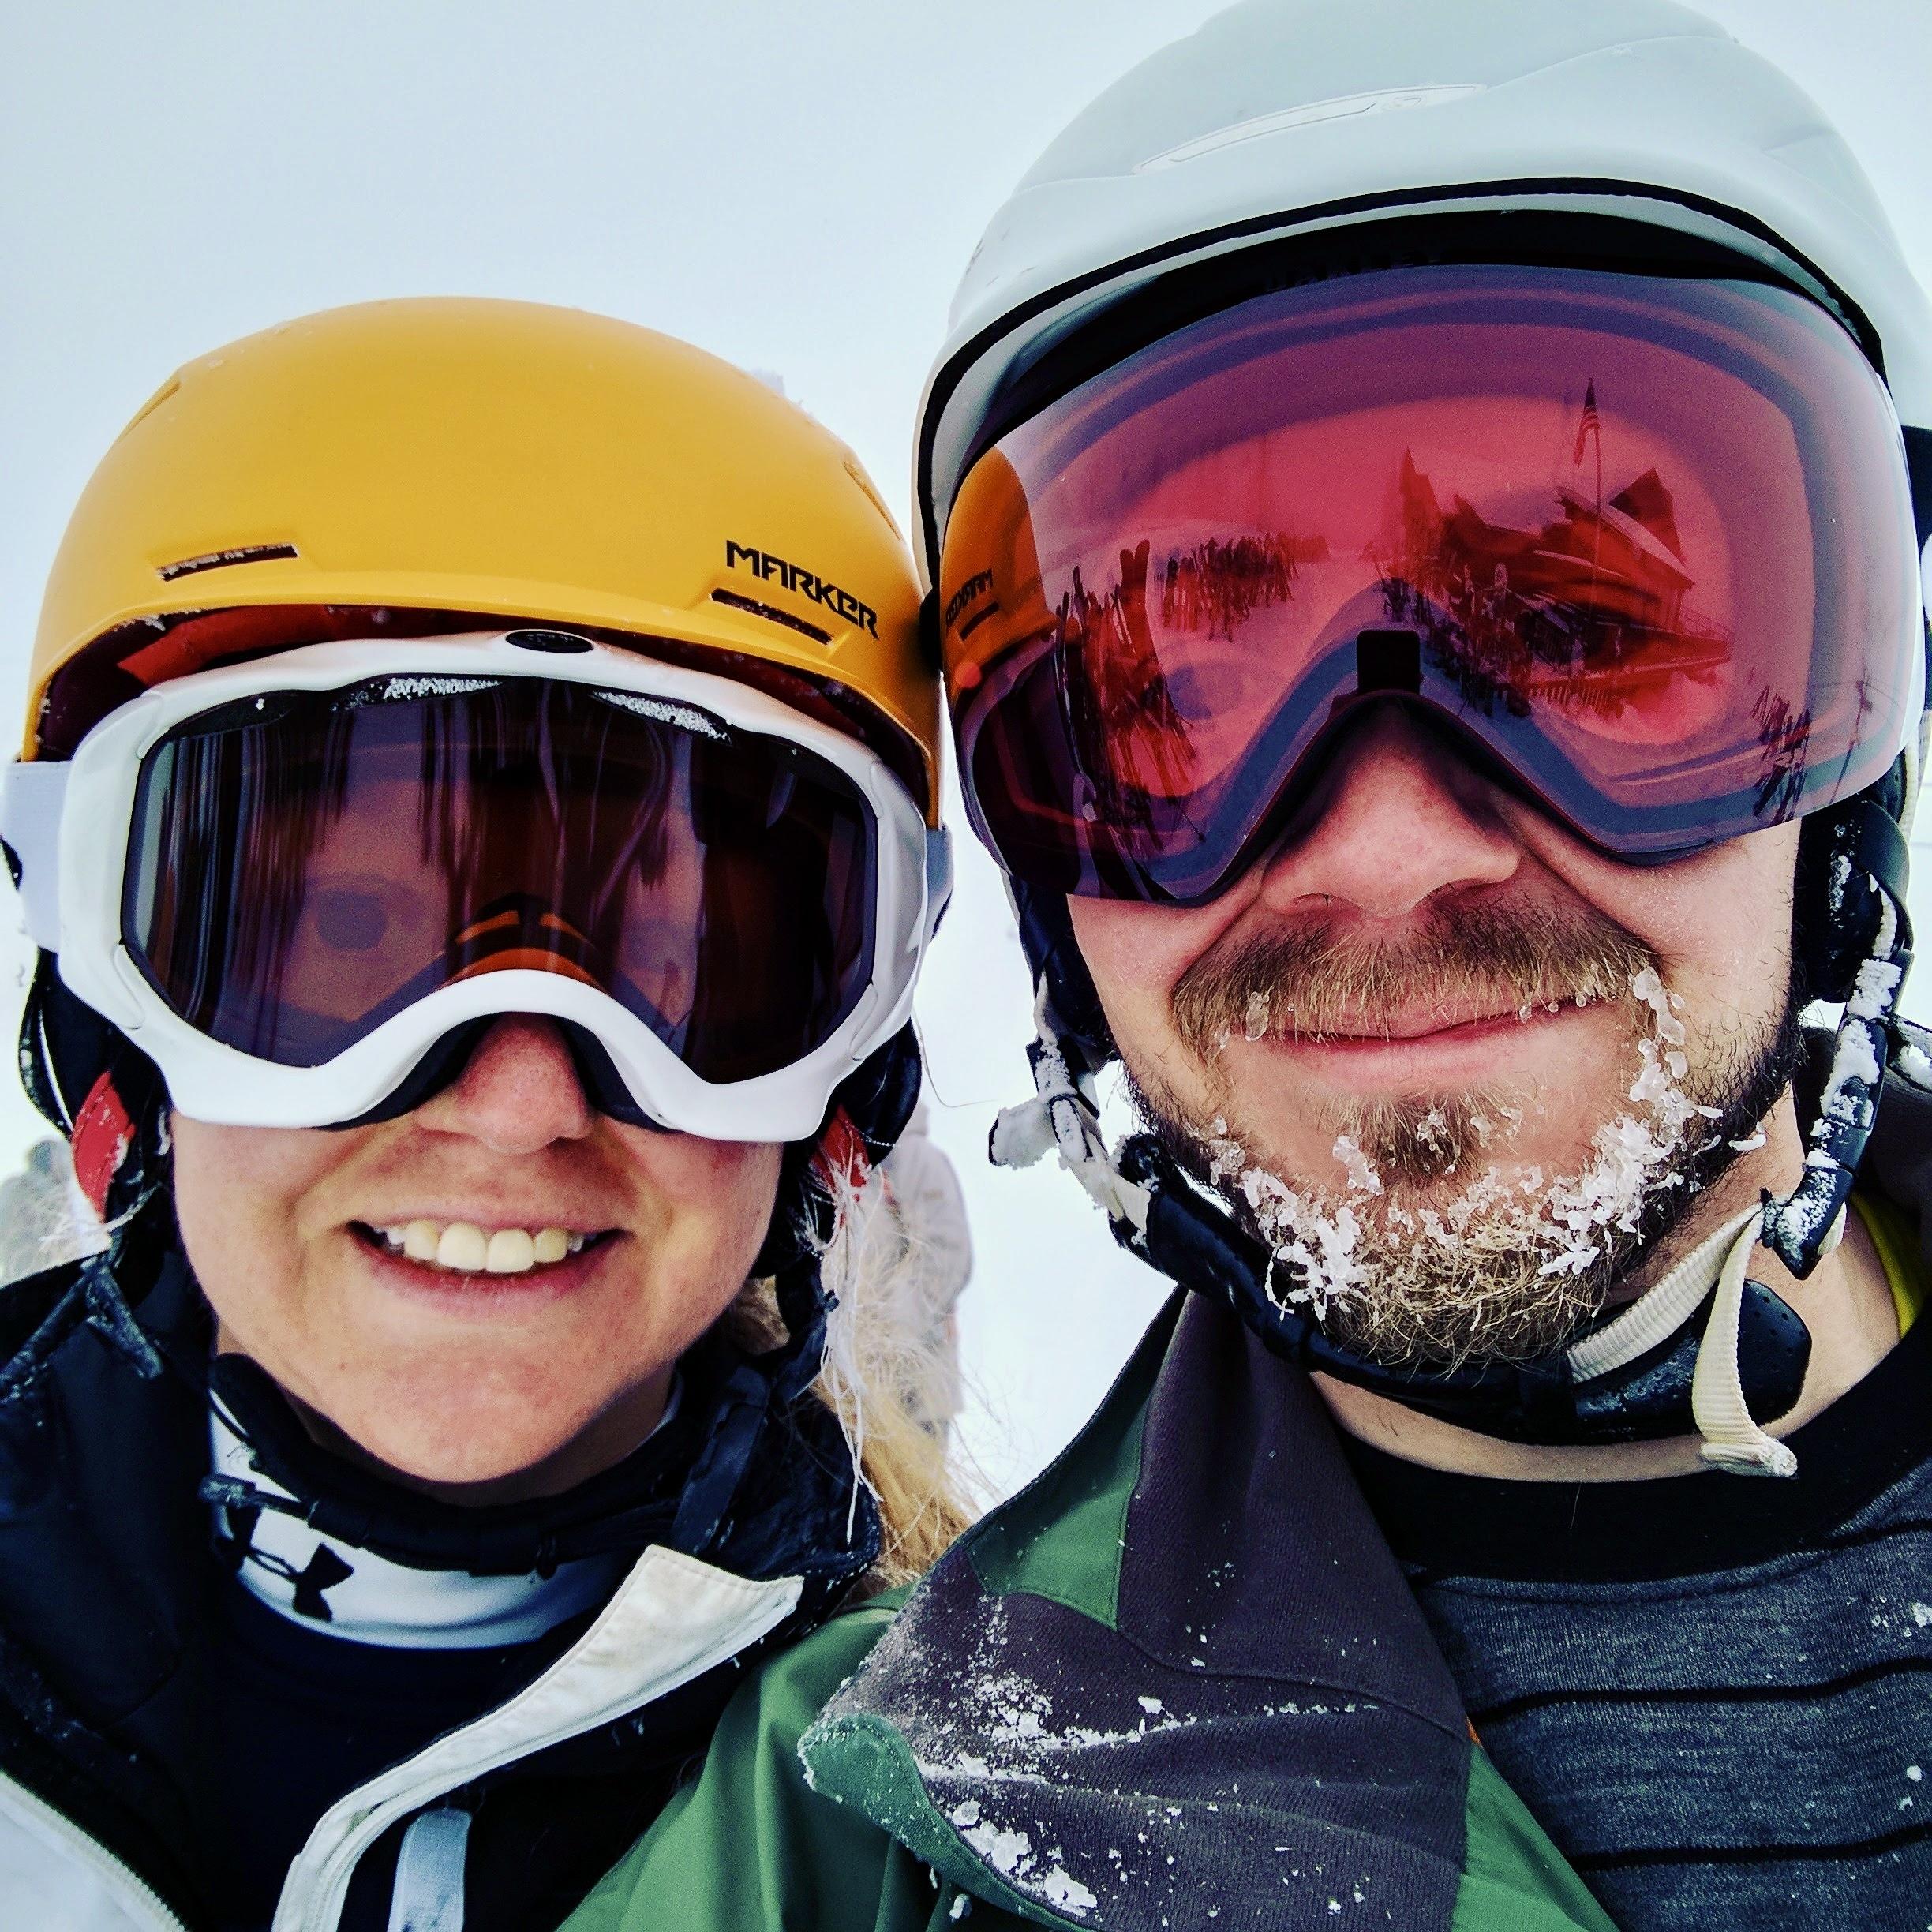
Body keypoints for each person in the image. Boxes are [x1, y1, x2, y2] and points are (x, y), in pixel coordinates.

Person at [572, 3, 1932, 1929]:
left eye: (1579, 629)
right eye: (1169, 698)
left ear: (1853, 725)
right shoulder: (856, 1855)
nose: (1383, 847)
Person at [0, 296, 972, 1931]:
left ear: (838, 1107)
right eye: (343, 943)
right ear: (116, 1033)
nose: (519, 1103)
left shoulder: (964, 1833)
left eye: (679, 966)